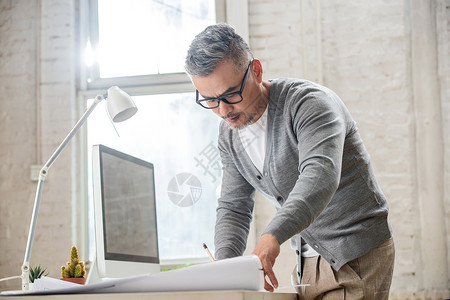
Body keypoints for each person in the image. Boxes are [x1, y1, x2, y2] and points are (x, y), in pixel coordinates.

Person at [185, 23, 394, 299]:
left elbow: (319, 174)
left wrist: (272, 236)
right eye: (210, 100)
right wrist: (225, 267)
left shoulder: (310, 104)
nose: (223, 110)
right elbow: (234, 205)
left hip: (354, 254)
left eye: (230, 94)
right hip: (306, 264)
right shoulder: (229, 135)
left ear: (256, 71)